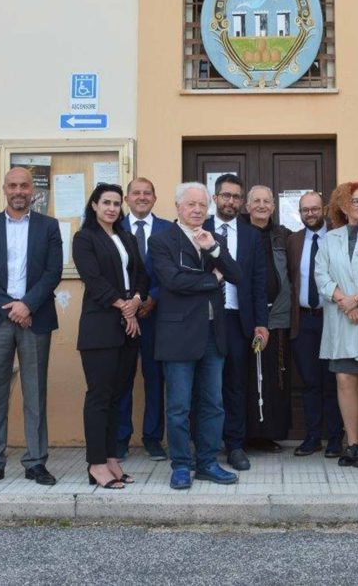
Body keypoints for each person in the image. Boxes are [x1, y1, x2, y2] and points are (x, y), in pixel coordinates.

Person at [0, 167, 63, 488]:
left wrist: (27, 305)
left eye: (24, 185)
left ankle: (36, 462)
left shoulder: (49, 226)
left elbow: (52, 272)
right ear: (5, 189)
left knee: (35, 393)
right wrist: (12, 307)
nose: (19, 191)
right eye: (13, 186)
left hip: (35, 318)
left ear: (32, 190)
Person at [150, 182, 242, 490]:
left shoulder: (214, 239)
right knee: (179, 407)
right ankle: (180, 465)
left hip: (213, 336)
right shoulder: (161, 240)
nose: (197, 210)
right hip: (178, 336)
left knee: (213, 404)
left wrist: (213, 250)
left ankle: (207, 463)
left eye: (202, 205)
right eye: (191, 204)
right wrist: (212, 279)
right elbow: (172, 281)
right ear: (177, 206)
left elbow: (237, 275)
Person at [73, 183, 149, 489]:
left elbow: (141, 274)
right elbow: (93, 280)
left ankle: (112, 458)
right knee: (100, 397)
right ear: (94, 205)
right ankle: (96, 464)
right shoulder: (84, 238)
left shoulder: (126, 237)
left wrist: (136, 300)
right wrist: (124, 307)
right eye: (106, 202)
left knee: (119, 397)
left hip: (128, 329)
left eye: (117, 204)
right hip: (100, 328)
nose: (112, 208)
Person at [314, 181, 358, 468]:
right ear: (343, 206)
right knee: (344, 379)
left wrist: (357, 300)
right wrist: (343, 300)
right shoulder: (330, 239)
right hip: (340, 317)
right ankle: (351, 443)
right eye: (356, 201)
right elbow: (321, 274)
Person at [204, 174, 269, 471]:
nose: (230, 201)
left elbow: (258, 283)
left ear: (242, 202)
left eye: (236, 197)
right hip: (204, 320)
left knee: (235, 386)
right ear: (215, 198)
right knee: (205, 385)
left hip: (238, 320)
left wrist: (261, 323)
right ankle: (205, 445)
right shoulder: (199, 228)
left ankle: (235, 445)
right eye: (225, 195)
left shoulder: (251, 235)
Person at [115, 177, 173, 462]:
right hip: (121, 315)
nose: (141, 197)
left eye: (147, 193)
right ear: (127, 198)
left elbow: (174, 270)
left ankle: (152, 438)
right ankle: (120, 438)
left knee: (155, 378)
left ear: (155, 198)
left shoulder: (169, 229)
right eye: (136, 193)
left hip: (157, 316)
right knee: (122, 379)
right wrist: (127, 304)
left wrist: (154, 298)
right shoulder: (113, 228)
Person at [287, 192, 344, 458]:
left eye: (314, 208)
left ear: (324, 209)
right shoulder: (293, 241)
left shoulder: (338, 236)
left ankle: (335, 438)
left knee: (333, 380)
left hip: (333, 319)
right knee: (309, 381)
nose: (310, 213)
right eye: (305, 210)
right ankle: (312, 437)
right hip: (303, 321)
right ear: (300, 213)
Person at [243, 185, 293, 450]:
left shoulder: (284, 236)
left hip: (277, 318)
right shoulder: (238, 233)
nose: (262, 205)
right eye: (256, 201)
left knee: (274, 378)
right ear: (247, 206)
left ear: (273, 207)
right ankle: (243, 435)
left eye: (266, 201)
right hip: (244, 319)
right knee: (246, 377)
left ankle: (267, 435)